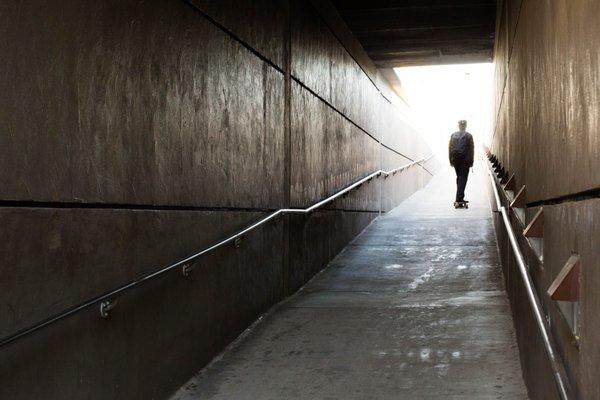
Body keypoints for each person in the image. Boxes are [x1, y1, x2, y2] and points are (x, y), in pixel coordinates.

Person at [448, 120, 474, 205]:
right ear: (466, 126)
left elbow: (450, 149)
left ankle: (460, 196)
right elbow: (471, 150)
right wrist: (471, 162)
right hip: (465, 161)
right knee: (463, 178)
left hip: (455, 160)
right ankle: (459, 198)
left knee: (459, 178)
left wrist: (451, 160)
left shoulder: (453, 135)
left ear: (458, 126)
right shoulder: (469, 136)